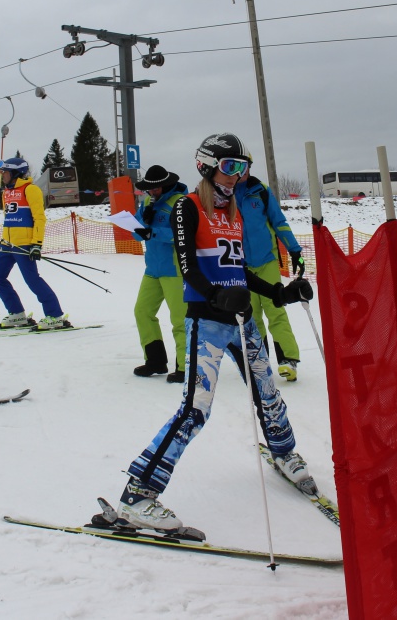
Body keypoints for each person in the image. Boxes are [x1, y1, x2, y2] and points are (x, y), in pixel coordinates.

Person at [116, 133, 316, 531]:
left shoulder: (234, 213)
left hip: (241, 320)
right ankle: (138, 493)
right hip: (206, 322)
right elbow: (188, 267)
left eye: (242, 167)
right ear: (206, 166)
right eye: (229, 166)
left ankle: (283, 451)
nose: (235, 175)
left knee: (268, 391)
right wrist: (215, 296)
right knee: (196, 409)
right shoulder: (187, 207)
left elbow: (238, 269)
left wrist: (279, 292)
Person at [235, 166, 305, 381]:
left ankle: (288, 359)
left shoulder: (261, 191)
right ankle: (258, 361)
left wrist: (294, 250)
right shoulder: (225, 195)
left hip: (266, 261)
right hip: (241, 265)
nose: (242, 172)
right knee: (252, 316)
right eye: (237, 167)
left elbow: (279, 221)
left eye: (245, 167)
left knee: (275, 309)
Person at [0, 158, 68, 331]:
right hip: (7, 244)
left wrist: (36, 244)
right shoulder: (6, 192)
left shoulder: (30, 190)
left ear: (15, 173)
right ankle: (17, 313)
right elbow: (9, 218)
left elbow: (39, 218)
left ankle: (55, 316)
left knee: (32, 280)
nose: (2, 176)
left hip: (24, 245)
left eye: (5, 172)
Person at [131, 165, 189, 383]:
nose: (152, 192)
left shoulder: (181, 202)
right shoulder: (147, 201)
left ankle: (185, 367)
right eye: (149, 189)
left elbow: (183, 234)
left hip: (174, 270)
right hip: (153, 269)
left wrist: (152, 232)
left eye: (155, 188)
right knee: (142, 312)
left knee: (180, 320)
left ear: (166, 185)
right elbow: (136, 233)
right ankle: (155, 361)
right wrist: (142, 224)